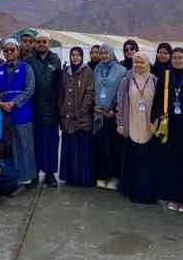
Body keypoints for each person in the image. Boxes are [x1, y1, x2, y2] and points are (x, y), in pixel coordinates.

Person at [154, 47, 183, 213]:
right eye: (174, 57)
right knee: (171, 164)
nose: (177, 60)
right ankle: (173, 197)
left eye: (181, 57)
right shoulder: (165, 77)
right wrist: (159, 118)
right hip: (170, 128)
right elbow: (157, 101)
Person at [0, 38, 37, 186]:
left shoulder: (26, 68)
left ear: (18, 51)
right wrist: (1, 103)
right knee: (5, 146)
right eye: (6, 50)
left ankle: (26, 176)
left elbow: (30, 88)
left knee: (24, 144)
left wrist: (14, 102)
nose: (9, 52)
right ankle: (9, 177)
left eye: (12, 50)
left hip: (21, 112)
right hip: (2, 113)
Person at [117, 52, 158, 204]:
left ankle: (146, 192)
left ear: (148, 63)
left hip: (149, 126)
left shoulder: (154, 80)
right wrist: (120, 123)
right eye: (136, 62)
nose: (139, 65)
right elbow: (120, 104)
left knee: (147, 162)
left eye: (142, 62)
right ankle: (132, 190)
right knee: (133, 160)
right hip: (132, 123)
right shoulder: (127, 81)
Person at [28, 33, 62, 188]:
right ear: (35, 43)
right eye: (39, 41)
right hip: (33, 108)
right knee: (35, 143)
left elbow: (59, 85)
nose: (42, 44)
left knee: (51, 143)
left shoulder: (56, 60)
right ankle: (33, 174)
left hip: (51, 109)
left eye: (44, 41)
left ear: (49, 43)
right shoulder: (29, 60)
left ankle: (50, 174)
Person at [59, 46, 95, 187]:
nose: (75, 57)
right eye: (73, 55)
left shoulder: (87, 72)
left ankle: (82, 178)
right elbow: (61, 91)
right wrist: (62, 110)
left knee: (81, 149)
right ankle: (70, 177)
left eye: (77, 55)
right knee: (70, 148)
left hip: (82, 118)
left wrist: (82, 110)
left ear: (82, 57)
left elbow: (89, 92)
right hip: (67, 117)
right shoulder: (65, 72)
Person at [93, 45, 125, 189]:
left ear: (112, 54)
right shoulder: (96, 69)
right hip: (98, 115)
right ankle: (101, 175)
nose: (104, 55)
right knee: (99, 146)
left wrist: (114, 109)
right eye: (101, 53)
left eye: (106, 53)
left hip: (113, 115)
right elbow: (92, 88)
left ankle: (113, 177)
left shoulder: (121, 70)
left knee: (112, 147)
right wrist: (94, 105)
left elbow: (122, 92)